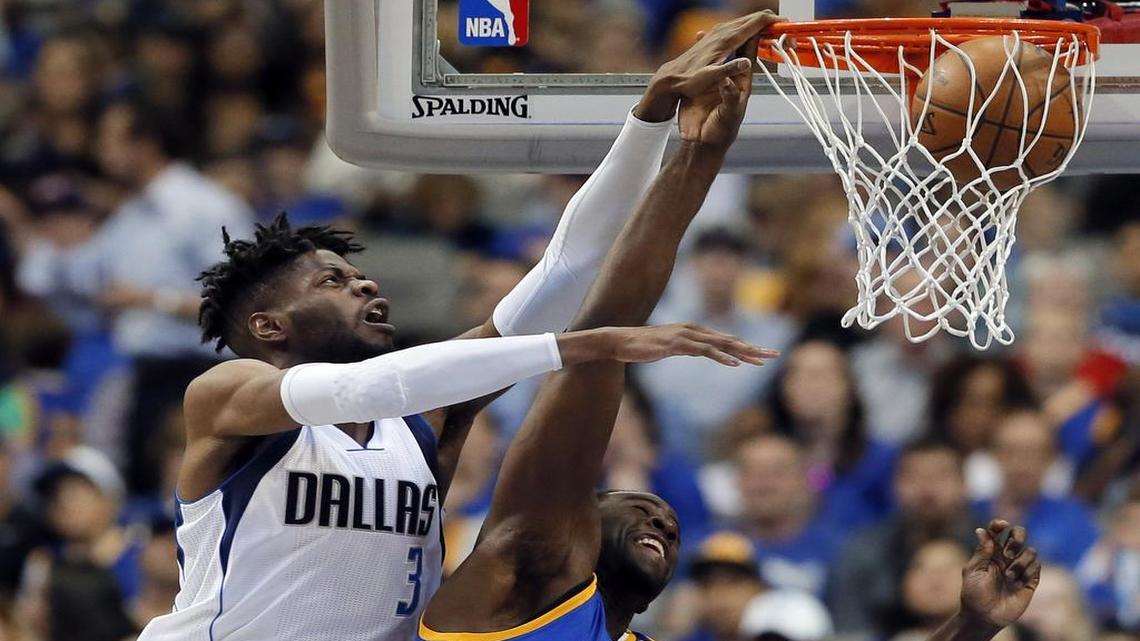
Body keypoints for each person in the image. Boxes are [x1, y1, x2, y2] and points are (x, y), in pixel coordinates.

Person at [136, 21, 767, 641]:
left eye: (361, 277)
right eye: (332, 281)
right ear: (268, 325)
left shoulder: (423, 425)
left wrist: (650, 116)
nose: (366, 286)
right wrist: (583, 346)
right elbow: (361, 391)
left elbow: (564, 268)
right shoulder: (227, 395)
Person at [419, 13, 778, 641]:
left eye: (649, 509)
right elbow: (606, 323)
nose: (666, 521)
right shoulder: (526, 567)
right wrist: (696, 154)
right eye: (663, 519)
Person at [639, 227, 794, 455]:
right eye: (711, 262)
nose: (719, 272)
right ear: (692, 266)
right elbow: (655, 390)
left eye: (728, 262)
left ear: (746, 267)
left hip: (739, 451)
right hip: (663, 447)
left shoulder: (775, 332)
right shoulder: (658, 323)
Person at [829, 440, 981, 638]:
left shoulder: (992, 546)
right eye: (913, 477)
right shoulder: (863, 552)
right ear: (894, 486)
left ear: (965, 485)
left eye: (941, 476)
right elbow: (850, 632)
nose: (927, 489)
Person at [974, 410, 1099, 570]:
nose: (1022, 464)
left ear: (1051, 459)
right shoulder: (970, 512)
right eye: (1011, 452)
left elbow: (1085, 576)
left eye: (1034, 453)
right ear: (995, 455)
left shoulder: (1075, 517)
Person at [732, 433, 842, 597]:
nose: (762, 485)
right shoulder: (706, 549)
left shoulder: (839, 551)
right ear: (737, 482)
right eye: (751, 473)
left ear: (802, 480)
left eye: (776, 473)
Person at [680, 531, 833, 641]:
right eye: (708, 585)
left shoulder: (785, 631)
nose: (719, 595)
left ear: (760, 588)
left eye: (733, 582)